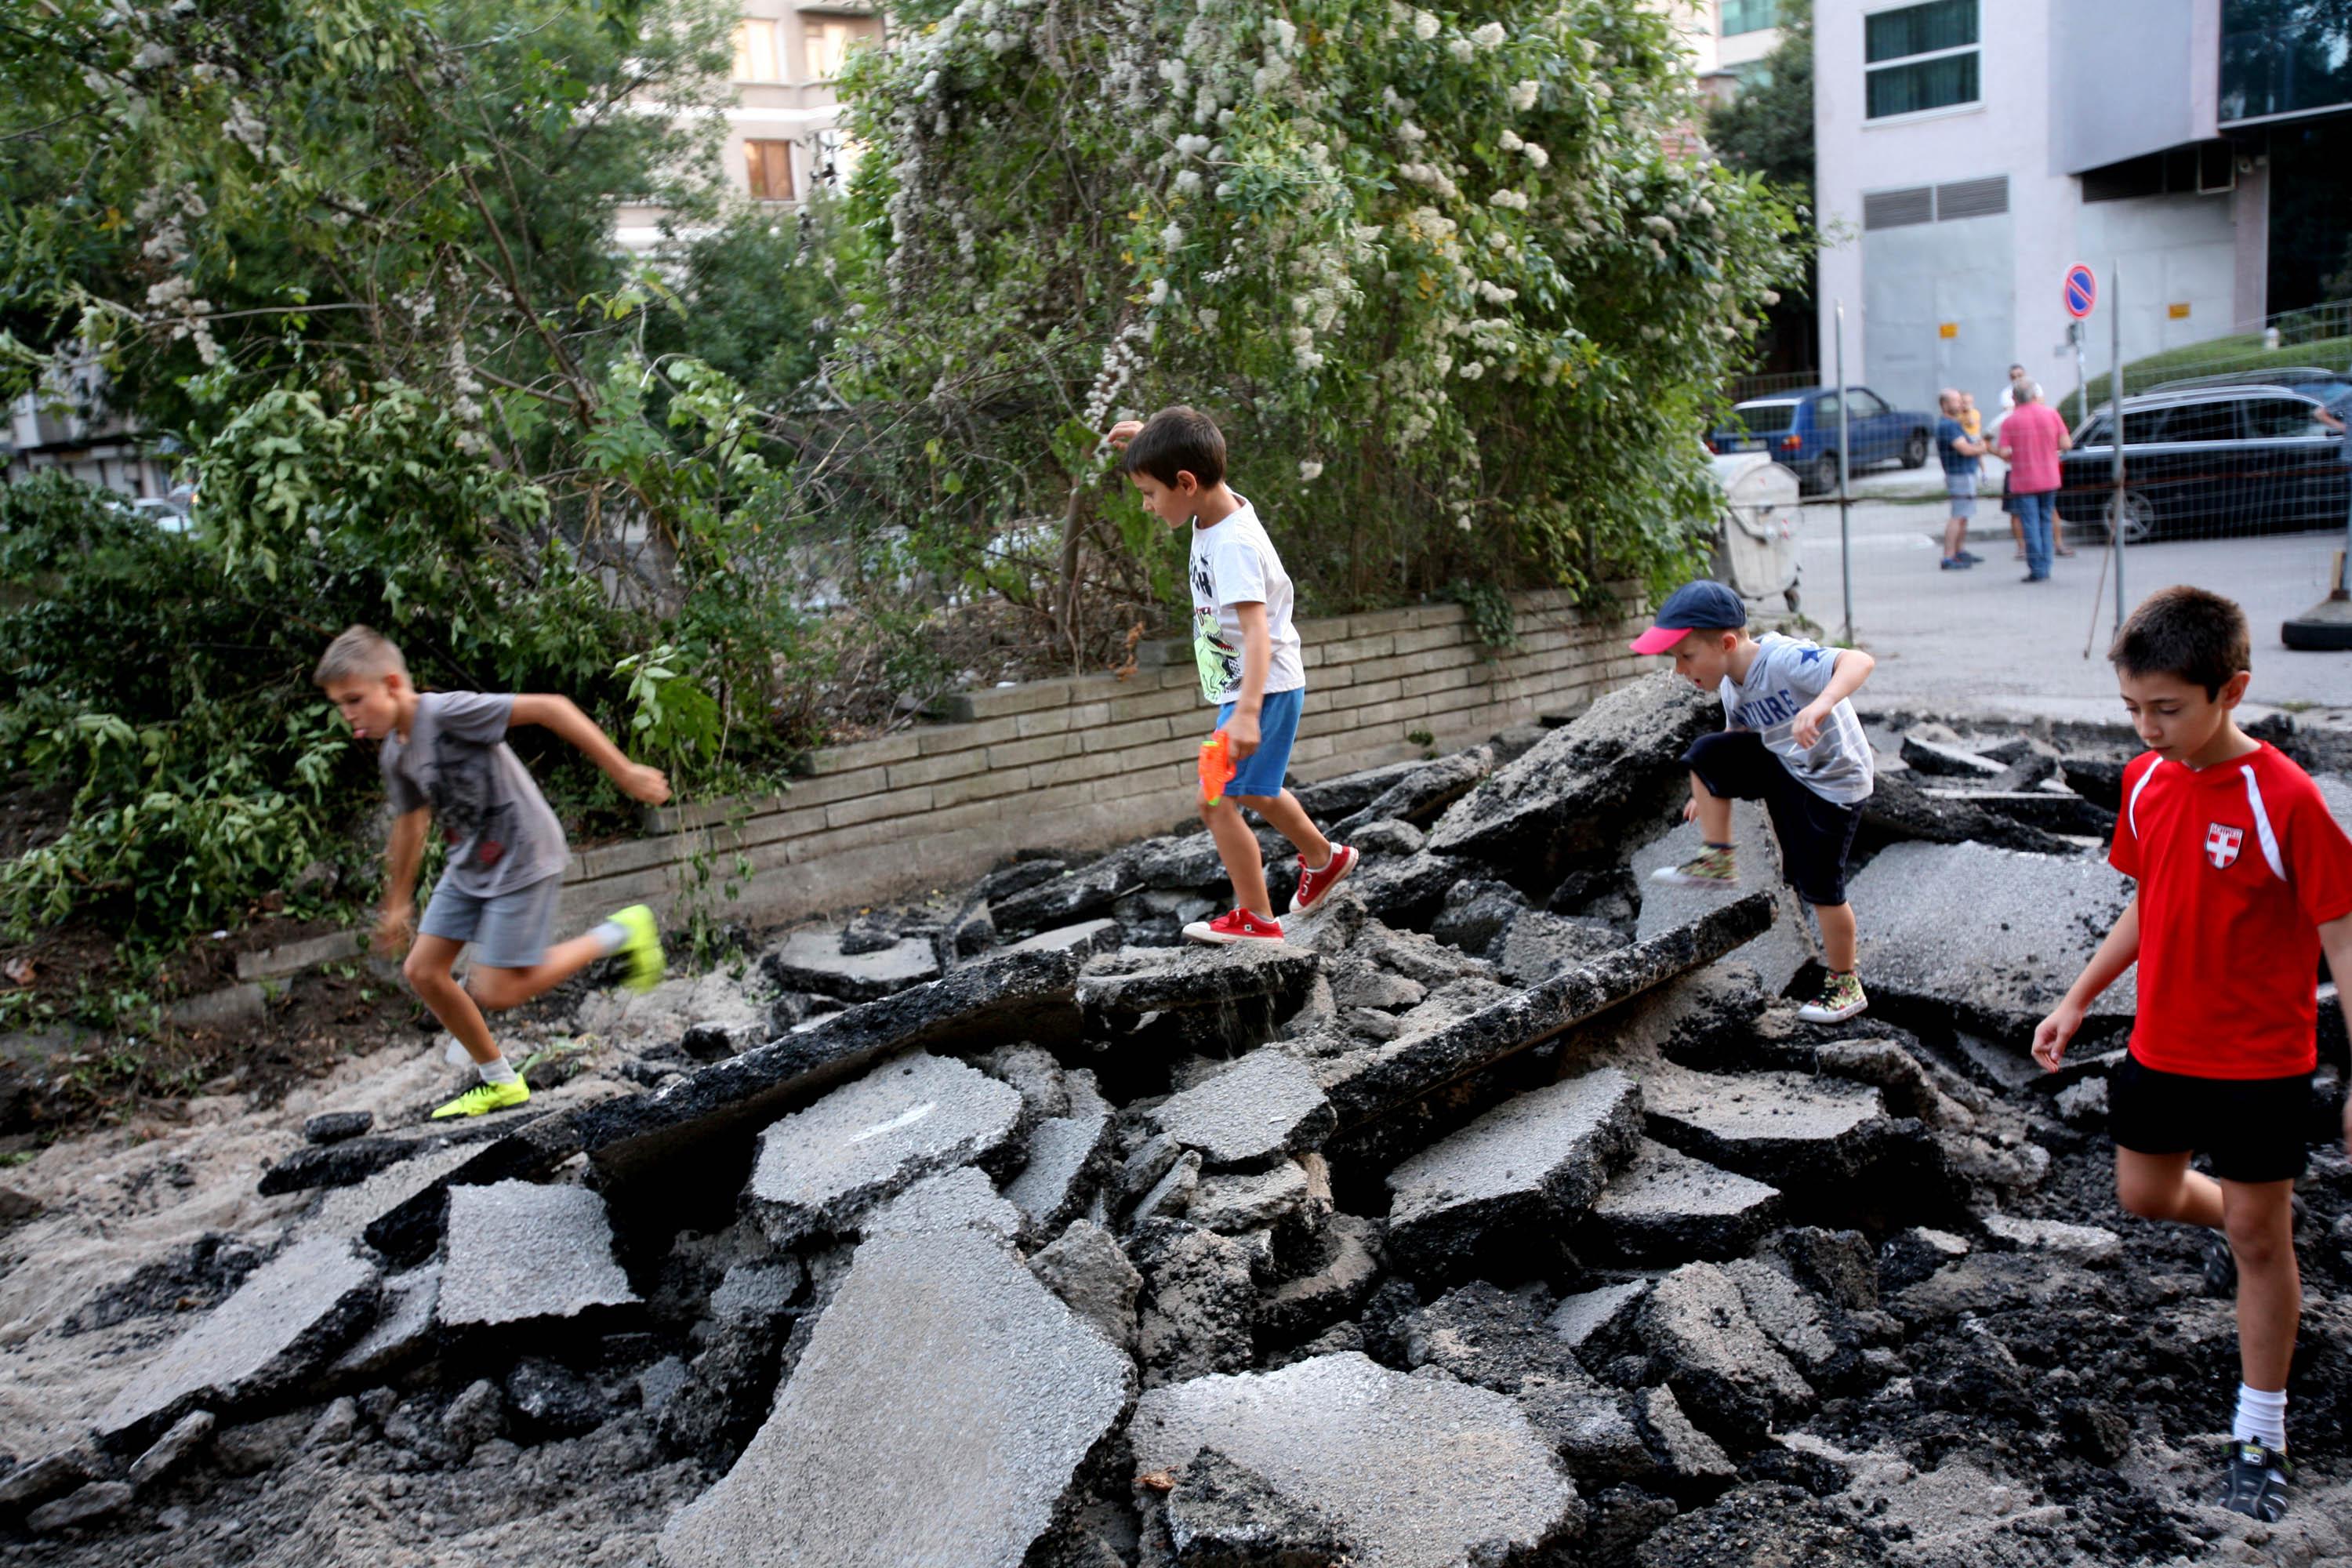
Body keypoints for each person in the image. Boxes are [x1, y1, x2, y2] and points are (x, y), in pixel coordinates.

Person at [2032, 587, 2352, 1524]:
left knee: (2260, 1235)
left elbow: (2343, 938)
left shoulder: (2284, 798)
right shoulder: (2145, 781)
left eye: (2167, 708)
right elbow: (2151, 895)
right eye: (2134, 708)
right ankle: (2256, 1237)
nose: (2148, 727)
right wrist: (2079, 995)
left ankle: (2261, 1429)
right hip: (2160, 1047)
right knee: (2145, 1194)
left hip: (2262, 1062)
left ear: (2232, 690)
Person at [315, 626, 672, 1118]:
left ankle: (621, 932)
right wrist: (398, 899)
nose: (348, 713)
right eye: (340, 704)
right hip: (470, 863)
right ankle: (500, 1081)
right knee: (423, 970)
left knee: (496, 989)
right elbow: (410, 823)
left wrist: (624, 771)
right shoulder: (395, 752)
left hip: (523, 851)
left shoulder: (447, 713)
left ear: (393, 684)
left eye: (354, 699)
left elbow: (552, 707)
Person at [1106, 407, 1358, 943]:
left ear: (1185, 483)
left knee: (1213, 797)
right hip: (1255, 690)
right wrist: (1150, 438)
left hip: (1260, 691)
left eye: (1150, 494)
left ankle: (1258, 918)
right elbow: (1192, 445)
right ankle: (1325, 858)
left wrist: (1245, 713)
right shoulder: (1215, 506)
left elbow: (1258, 631)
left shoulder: (1234, 546)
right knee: (1259, 792)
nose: (1149, 507)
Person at [1634, 580, 1878, 1023]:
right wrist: (1710, 788)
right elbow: (1737, 740)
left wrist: (1819, 706)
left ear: (1727, 642)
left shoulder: (1783, 659)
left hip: (1835, 783)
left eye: (1686, 657)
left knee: (1820, 887)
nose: (1679, 670)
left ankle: (1845, 985)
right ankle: (1717, 859)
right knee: (1706, 752)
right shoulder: (1733, 685)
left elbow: (1859, 660)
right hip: (1790, 768)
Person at [1994, 379, 2071, 582]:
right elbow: (2066, 443)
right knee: (2046, 520)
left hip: (2024, 480)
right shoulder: (2051, 414)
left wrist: (2018, 454)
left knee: (2030, 523)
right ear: (2035, 395)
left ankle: (2037, 568)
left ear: (2014, 398)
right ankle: (2047, 564)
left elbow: (2003, 452)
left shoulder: (2010, 421)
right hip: (2049, 476)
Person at [1934, 389, 1987, 572]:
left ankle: (1959, 551)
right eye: (1956, 401)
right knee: (1958, 516)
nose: (1961, 404)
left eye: (1960, 400)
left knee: (1964, 516)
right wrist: (1981, 448)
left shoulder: (1955, 424)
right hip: (1959, 475)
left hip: (1965, 473)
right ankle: (1948, 557)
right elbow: (1964, 449)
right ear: (1945, 405)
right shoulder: (1949, 426)